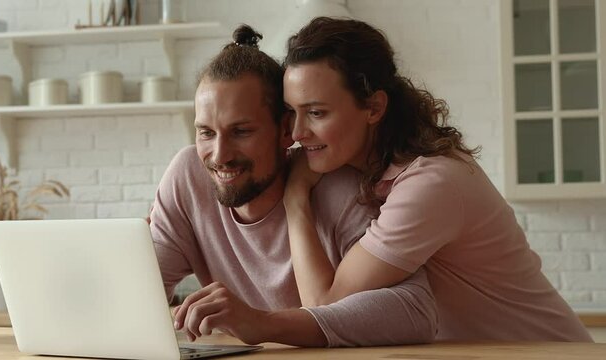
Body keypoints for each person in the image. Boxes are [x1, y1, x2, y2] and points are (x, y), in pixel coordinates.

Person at [282, 17, 592, 342]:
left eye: (316, 113)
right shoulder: (365, 171)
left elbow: (324, 305)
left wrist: (295, 197)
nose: (297, 133)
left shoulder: (430, 183)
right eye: (292, 112)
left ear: (373, 107)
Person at [149, 24, 437, 347]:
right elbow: (138, 291)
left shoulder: (338, 187)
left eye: (241, 132)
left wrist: (265, 324)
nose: (219, 155)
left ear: (286, 131)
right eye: (206, 133)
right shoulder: (187, 177)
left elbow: (417, 312)